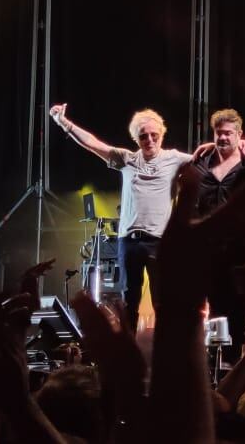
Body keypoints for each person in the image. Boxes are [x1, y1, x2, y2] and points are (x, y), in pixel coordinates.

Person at [50, 104, 193, 333]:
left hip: (161, 242)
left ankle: (167, 358)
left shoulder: (174, 159)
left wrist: (242, 148)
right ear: (136, 139)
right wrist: (63, 122)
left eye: (154, 135)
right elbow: (94, 144)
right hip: (129, 241)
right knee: (129, 301)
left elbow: (206, 160)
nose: (149, 140)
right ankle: (129, 355)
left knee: (164, 302)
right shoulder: (126, 159)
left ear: (161, 135)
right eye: (143, 136)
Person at [192, 108, 245, 357]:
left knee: (238, 305)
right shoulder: (200, 162)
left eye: (228, 133)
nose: (223, 138)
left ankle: (233, 360)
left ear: (239, 134)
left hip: (240, 247)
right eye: (218, 133)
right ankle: (213, 361)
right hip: (207, 247)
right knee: (212, 305)